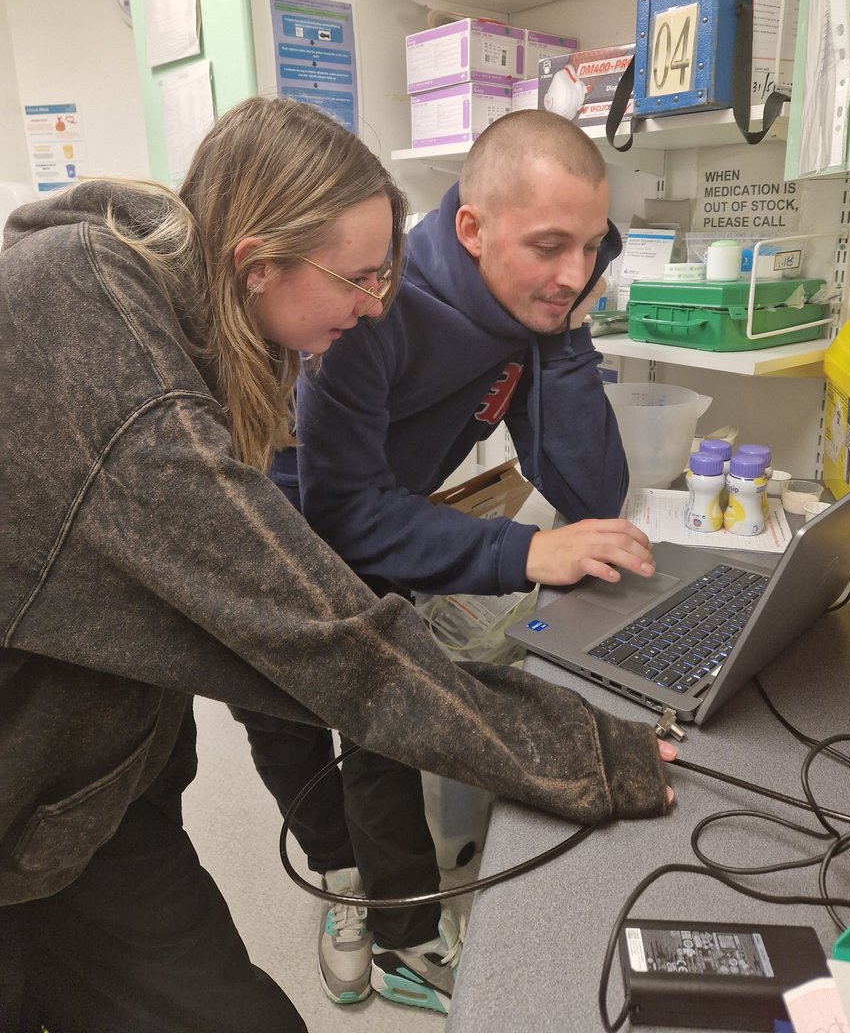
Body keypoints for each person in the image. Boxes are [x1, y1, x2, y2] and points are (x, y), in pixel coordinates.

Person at [0, 97, 675, 1033]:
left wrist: (557, 333)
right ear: (257, 264)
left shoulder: (221, 318)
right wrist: (582, 750)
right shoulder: (102, 342)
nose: (374, 302)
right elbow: (326, 634)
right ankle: (352, 881)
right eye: (357, 278)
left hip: (84, 786)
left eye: (385, 271)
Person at [236, 109, 659, 1015]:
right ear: (472, 228)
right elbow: (339, 516)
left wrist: (564, 329)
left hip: (372, 508)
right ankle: (344, 878)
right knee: (284, 714)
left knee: (383, 717)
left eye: (590, 247)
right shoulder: (370, 313)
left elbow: (591, 492)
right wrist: (524, 549)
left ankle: (406, 932)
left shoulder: (529, 301)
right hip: (273, 516)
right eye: (549, 245)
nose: (574, 271)